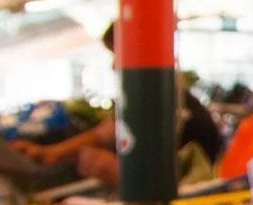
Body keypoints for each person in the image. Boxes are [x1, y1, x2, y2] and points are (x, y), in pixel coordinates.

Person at [12, 23, 223, 188]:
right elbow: (106, 133)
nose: (114, 65)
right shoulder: (147, 97)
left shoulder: (165, 102)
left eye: (117, 54)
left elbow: (171, 184)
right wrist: (51, 152)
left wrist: (115, 172)